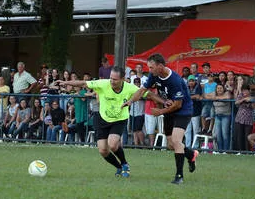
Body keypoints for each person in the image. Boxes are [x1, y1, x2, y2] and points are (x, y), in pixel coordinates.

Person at [123, 54, 199, 184]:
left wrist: (160, 111)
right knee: (171, 145)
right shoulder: (154, 75)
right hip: (169, 110)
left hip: (183, 111)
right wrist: (130, 102)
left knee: (176, 140)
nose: (150, 70)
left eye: (151, 67)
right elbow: (142, 90)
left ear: (160, 66)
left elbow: (178, 104)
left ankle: (179, 176)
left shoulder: (175, 80)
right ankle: (191, 154)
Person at [57, 66, 137, 177]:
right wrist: (65, 82)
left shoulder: (130, 88)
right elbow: (83, 83)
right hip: (102, 118)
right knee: (103, 150)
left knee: (113, 145)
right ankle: (118, 167)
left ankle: (124, 164)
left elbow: (146, 93)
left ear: (122, 79)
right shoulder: (103, 83)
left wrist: (164, 101)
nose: (112, 81)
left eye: (115, 79)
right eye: (111, 78)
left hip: (119, 119)